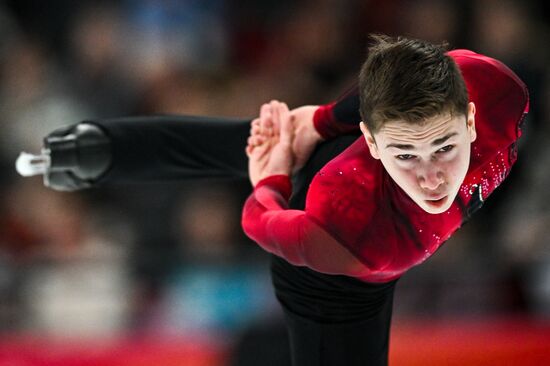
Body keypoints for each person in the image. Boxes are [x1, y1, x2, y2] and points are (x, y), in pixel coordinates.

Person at [29, 35, 528, 365]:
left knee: (262, 137)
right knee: (259, 149)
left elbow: (396, 83)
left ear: (469, 119)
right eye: (406, 155)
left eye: (444, 148)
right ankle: (89, 151)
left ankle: (96, 148)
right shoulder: (354, 228)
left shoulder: (495, 88)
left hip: (347, 168)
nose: (431, 177)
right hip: (329, 279)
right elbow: (258, 223)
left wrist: (317, 120)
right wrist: (269, 179)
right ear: (373, 143)